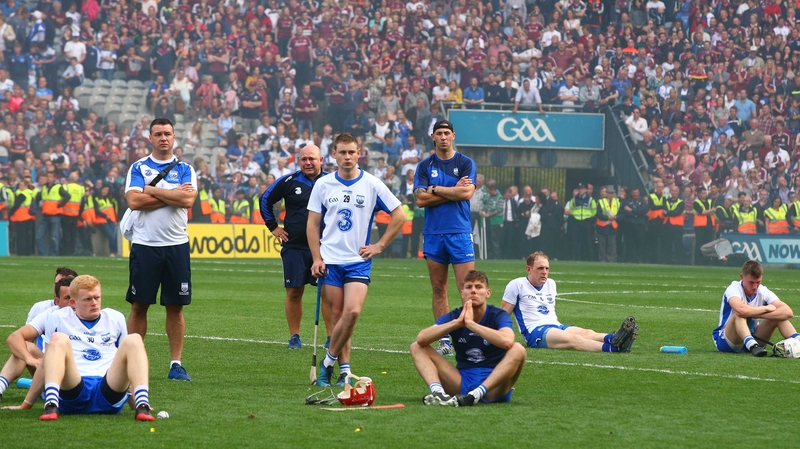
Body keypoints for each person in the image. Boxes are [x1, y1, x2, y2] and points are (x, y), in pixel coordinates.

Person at [307, 133, 405, 387]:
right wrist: (316, 257)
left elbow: (399, 215)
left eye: (351, 152)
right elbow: (313, 224)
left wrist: (380, 245)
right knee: (338, 317)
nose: (347, 157)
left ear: (358, 153)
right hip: (330, 260)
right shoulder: (323, 184)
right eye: (342, 152)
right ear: (334, 155)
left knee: (352, 312)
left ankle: (327, 363)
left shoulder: (372, 184)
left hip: (358, 260)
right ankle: (344, 371)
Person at [124, 118, 197, 381]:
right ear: (150, 138)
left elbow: (188, 199)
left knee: (175, 307)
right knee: (138, 307)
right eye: (158, 134)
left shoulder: (186, 168)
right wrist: (171, 195)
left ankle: (175, 364)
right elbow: (133, 201)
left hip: (176, 246)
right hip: (145, 246)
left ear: (174, 137)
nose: (163, 138)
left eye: (167, 133)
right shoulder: (138, 167)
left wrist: (152, 191)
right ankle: (133, 361)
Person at [38, 275, 155, 421]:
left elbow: (127, 365)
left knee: (134, 339)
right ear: (73, 302)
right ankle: (51, 404)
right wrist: (27, 403)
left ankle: (142, 405)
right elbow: (46, 363)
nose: (94, 303)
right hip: (74, 389)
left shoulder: (115, 318)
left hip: (108, 390)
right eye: (87, 299)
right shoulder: (58, 318)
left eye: (97, 298)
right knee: (59, 338)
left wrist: (133, 400)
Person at [410, 270, 526, 406]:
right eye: (469, 287)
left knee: (518, 349)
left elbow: (507, 341)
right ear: (462, 293)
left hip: (494, 387)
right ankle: (439, 394)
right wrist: (457, 323)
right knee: (416, 346)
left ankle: (476, 394)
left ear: (487, 293)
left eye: (478, 287)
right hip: (461, 381)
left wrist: (471, 324)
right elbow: (421, 338)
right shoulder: (456, 316)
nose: (473, 291)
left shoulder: (497, 315)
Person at [413, 120, 476, 356]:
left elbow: (467, 192)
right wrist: (452, 191)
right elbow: (420, 200)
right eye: (439, 133)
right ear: (433, 136)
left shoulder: (465, 162)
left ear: (453, 135)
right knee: (439, 288)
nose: (443, 137)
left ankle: (468, 337)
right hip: (433, 234)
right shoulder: (424, 165)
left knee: (467, 288)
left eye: (446, 133)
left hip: (459, 233)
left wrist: (435, 188)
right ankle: (444, 340)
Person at [260, 145, 332, 349]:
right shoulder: (289, 181)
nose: (308, 163)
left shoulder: (331, 182)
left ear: (321, 159)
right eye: (304, 159)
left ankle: (330, 337)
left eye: (312, 159)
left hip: (324, 247)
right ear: (298, 161)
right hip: (295, 247)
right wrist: (273, 227)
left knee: (327, 293)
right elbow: (265, 199)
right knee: (293, 291)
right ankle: (294, 337)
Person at [501, 252, 638, 352]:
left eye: (547, 268)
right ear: (529, 269)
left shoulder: (551, 284)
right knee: (575, 340)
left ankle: (615, 338)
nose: (544, 272)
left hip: (556, 325)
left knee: (587, 333)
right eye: (540, 268)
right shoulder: (517, 285)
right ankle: (614, 348)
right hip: (536, 332)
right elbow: (502, 314)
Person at [0, 275, 74, 406]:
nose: (73, 302)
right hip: (48, 369)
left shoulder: (94, 315)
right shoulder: (50, 313)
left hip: (77, 375)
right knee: (25, 346)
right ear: (57, 301)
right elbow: (14, 338)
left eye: (75, 296)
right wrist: (29, 358)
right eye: (67, 298)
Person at [713, 260, 800, 357]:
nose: (755, 287)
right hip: (728, 340)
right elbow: (741, 310)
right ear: (742, 277)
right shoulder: (733, 288)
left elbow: (788, 312)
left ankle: (798, 340)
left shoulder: (762, 291)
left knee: (778, 317)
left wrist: (756, 313)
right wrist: (765, 308)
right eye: (751, 282)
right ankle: (753, 346)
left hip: (753, 335)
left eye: (758, 282)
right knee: (739, 314)